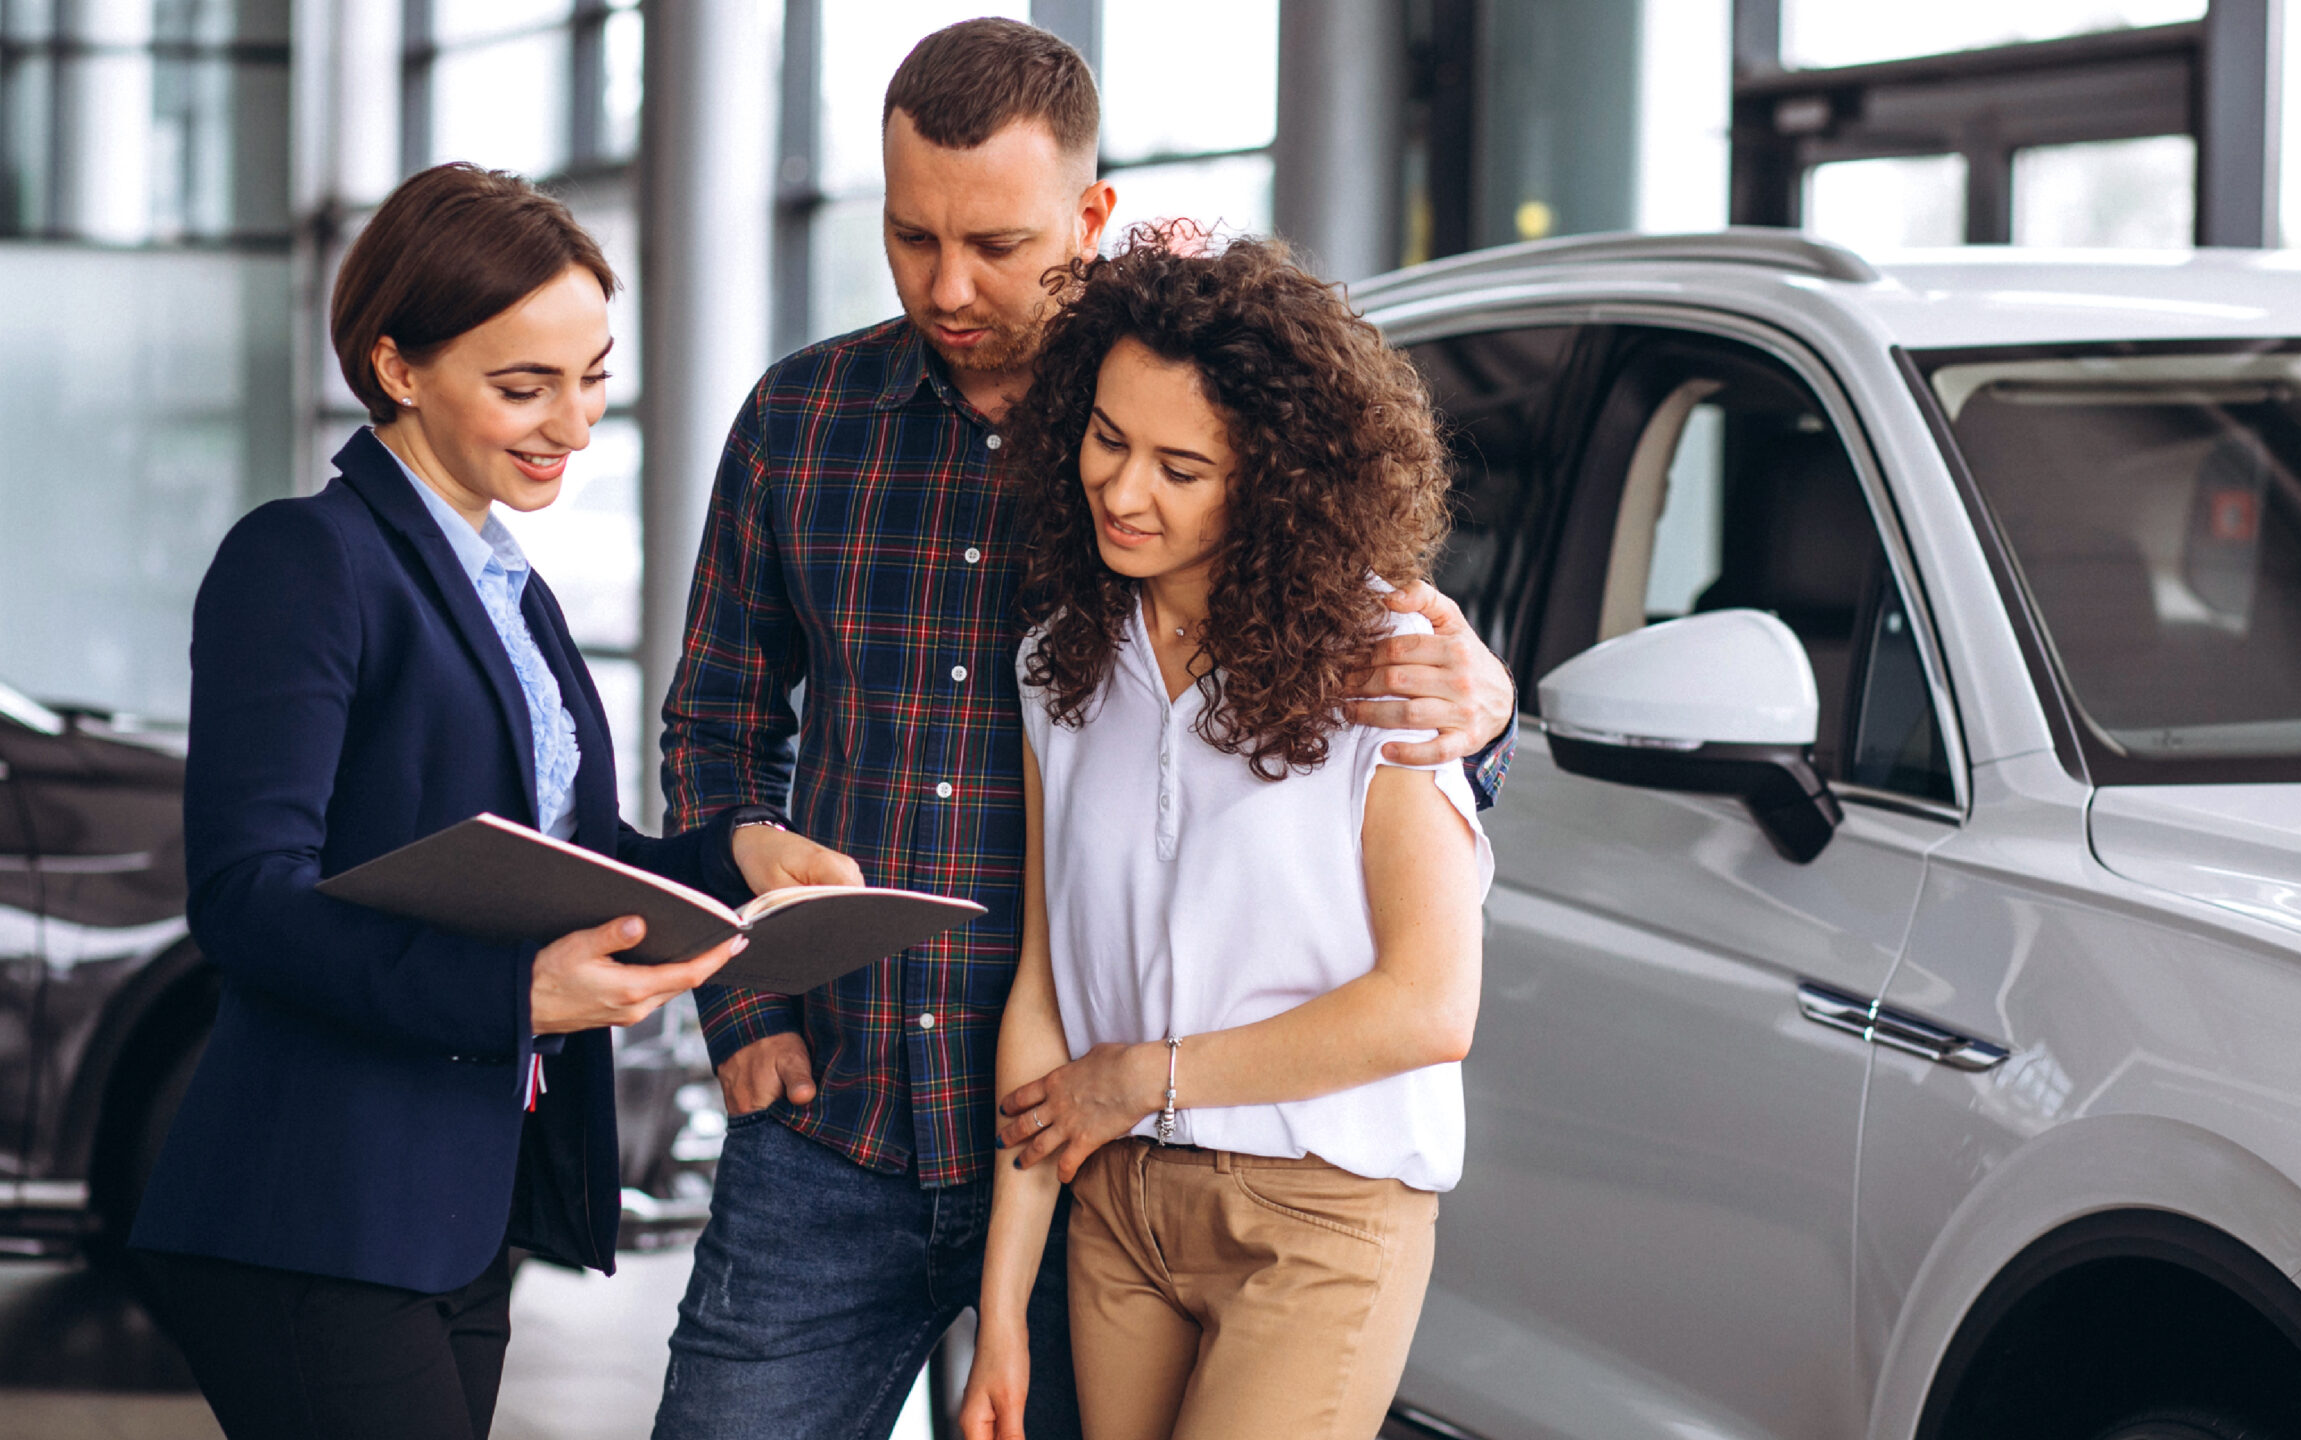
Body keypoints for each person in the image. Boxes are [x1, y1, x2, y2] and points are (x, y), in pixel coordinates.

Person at [650, 19, 1515, 1440]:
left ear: (1093, 214)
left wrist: (1484, 718)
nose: (949, 283)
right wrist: (739, 998)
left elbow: (1369, 700)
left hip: (1090, 1158)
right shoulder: (801, 425)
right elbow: (714, 723)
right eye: (910, 236)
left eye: (995, 242)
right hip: (841, 1112)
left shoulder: (1186, 425)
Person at [126, 162, 862, 1440]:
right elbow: (246, 900)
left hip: (458, 1206)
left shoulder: (506, 586)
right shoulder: (306, 559)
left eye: (592, 378)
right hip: (317, 1210)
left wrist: (737, 856)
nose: (572, 427)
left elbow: (558, 858)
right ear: (396, 366)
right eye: (524, 388)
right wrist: (514, 994)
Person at [958, 231, 1491, 1440]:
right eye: (1104, 438)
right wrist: (999, 1314)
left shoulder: (1387, 668)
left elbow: (1428, 1006)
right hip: (1118, 1212)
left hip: (1317, 1216)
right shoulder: (1059, 667)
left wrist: (1144, 1076)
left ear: (1275, 480)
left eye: (1180, 466)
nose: (1122, 490)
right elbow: (1047, 989)